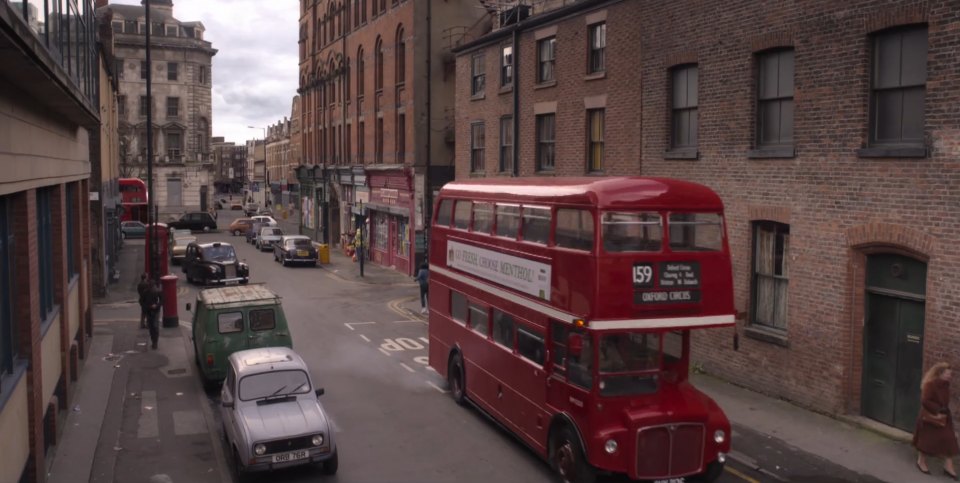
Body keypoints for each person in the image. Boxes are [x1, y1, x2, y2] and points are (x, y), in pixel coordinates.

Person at [914, 361, 959, 477]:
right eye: (948, 374)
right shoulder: (930, 384)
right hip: (930, 417)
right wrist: (937, 410)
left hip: (944, 417)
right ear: (940, 374)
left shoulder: (945, 385)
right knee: (926, 441)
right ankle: (921, 461)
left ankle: (948, 466)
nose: (950, 376)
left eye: (950, 374)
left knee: (950, 440)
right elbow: (925, 400)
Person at [139, 280, 163, 349]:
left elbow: (162, 301)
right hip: (149, 311)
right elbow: (141, 301)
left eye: (153, 287)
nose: (152, 288)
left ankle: (155, 343)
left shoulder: (158, 292)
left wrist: (157, 305)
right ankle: (153, 341)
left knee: (155, 326)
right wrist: (147, 306)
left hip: (156, 311)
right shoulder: (145, 292)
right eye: (151, 287)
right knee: (151, 327)